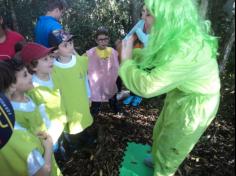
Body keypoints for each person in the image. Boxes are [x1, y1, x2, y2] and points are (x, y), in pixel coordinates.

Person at [119, 0, 221, 175]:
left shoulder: (185, 50)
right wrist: (133, 55)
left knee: (173, 145)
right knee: (161, 130)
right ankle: (158, 158)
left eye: (148, 14)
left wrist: (126, 62)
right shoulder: (177, 35)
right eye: (144, 12)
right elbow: (156, 57)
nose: (143, 17)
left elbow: (147, 87)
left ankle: (163, 169)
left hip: (195, 105)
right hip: (182, 92)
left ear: (167, 17)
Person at [0, 60, 62, 176]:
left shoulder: (28, 96)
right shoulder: (13, 117)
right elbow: (43, 171)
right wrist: (48, 147)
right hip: (42, 157)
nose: (30, 76)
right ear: (12, 86)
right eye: (25, 75)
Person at [50, 30, 95, 151]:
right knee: (71, 128)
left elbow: (85, 78)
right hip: (67, 107)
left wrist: (89, 96)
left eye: (71, 43)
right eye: (65, 45)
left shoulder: (80, 61)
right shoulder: (52, 69)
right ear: (55, 50)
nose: (70, 47)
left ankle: (85, 140)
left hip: (82, 102)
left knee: (84, 121)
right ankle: (72, 146)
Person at [20, 42, 67, 153]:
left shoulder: (53, 75)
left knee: (61, 144)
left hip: (61, 124)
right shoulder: (32, 89)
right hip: (49, 134)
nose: (51, 60)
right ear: (33, 66)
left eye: (50, 57)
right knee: (52, 151)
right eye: (45, 59)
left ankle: (61, 150)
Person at [86, 27, 120, 116]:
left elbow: (119, 62)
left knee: (112, 98)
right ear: (96, 41)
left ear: (108, 39)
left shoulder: (112, 52)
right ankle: (93, 116)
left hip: (110, 82)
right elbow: (80, 60)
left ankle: (117, 112)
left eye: (105, 39)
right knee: (96, 102)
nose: (103, 42)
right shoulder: (91, 52)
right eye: (100, 40)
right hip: (96, 84)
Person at [122, 5, 150, 107]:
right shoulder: (140, 23)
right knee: (135, 74)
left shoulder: (155, 25)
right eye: (142, 10)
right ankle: (132, 94)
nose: (141, 13)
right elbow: (130, 34)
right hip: (138, 53)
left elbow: (147, 41)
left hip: (149, 56)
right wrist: (124, 42)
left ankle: (139, 96)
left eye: (144, 11)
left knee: (143, 75)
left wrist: (138, 32)